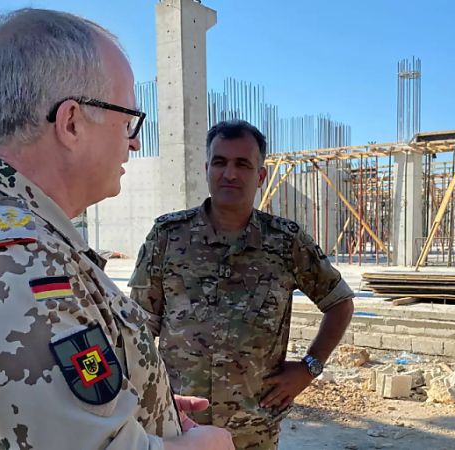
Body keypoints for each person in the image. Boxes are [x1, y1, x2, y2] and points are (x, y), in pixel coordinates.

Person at [0, 8, 233, 450]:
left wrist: (150, 403)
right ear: (72, 122)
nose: (133, 141)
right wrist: (206, 446)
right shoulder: (16, 263)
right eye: (128, 119)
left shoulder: (1, 231)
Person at [129, 120, 356, 449]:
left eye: (242, 164)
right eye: (220, 162)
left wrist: (310, 367)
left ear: (261, 176)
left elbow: (339, 302)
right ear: (207, 169)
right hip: (179, 421)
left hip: (254, 425)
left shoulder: (284, 241)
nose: (230, 174)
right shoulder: (168, 236)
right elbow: (138, 324)